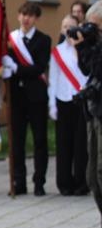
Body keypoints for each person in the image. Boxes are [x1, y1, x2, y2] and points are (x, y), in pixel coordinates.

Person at [2, 2, 51, 196]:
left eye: (30, 15)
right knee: (17, 141)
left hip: (36, 97)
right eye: (23, 14)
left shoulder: (43, 40)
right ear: (18, 16)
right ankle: (19, 181)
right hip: (16, 97)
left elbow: (39, 68)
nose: (25, 19)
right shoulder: (9, 39)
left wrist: (15, 68)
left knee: (39, 140)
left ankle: (39, 182)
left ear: (36, 18)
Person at [49, 15, 89, 196]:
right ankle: (64, 183)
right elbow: (53, 78)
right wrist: (52, 104)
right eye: (64, 26)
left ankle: (81, 182)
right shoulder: (57, 52)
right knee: (64, 144)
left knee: (81, 143)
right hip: (63, 100)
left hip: (81, 99)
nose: (68, 30)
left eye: (71, 26)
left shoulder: (85, 48)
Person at [77, 0, 102, 228]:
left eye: (94, 26)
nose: (90, 29)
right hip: (94, 114)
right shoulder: (94, 45)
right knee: (93, 176)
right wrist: (83, 45)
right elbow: (87, 69)